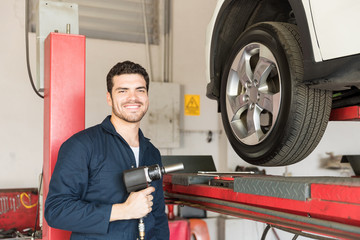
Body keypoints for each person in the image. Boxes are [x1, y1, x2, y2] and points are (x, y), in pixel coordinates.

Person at [45, 61, 170, 240]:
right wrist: (123, 210)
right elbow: (56, 211)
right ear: (109, 98)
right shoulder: (82, 146)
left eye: (140, 90)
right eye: (123, 91)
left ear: (147, 97)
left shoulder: (152, 152)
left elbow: (158, 216)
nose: (133, 97)